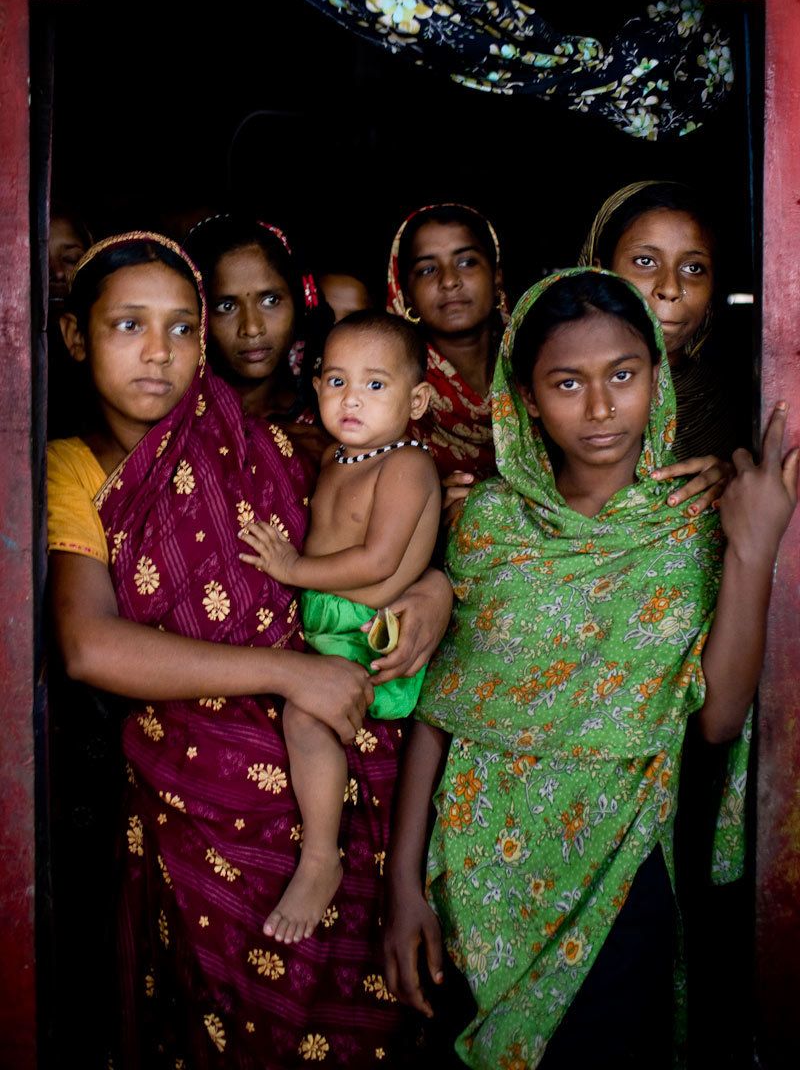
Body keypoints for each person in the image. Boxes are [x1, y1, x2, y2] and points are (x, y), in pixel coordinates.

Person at [47, 231, 453, 1068]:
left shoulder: (268, 446)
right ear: (75, 338)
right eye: (129, 326)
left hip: (348, 775)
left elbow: (366, 561)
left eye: (182, 327)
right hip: (203, 798)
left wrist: (435, 593)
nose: (160, 353)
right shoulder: (71, 470)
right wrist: (287, 670)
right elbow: (88, 646)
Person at [383, 268, 797, 1069]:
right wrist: (403, 884)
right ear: (527, 398)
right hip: (476, 875)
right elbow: (439, 715)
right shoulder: (490, 523)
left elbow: (716, 720)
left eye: (624, 376)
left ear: (656, 377)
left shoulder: (693, 528)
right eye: (568, 383)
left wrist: (751, 550)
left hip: (619, 869)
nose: (602, 409)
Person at [239, 311, 440, 944]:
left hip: (370, 637)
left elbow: (381, 568)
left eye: (376, 385)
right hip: (330, 622)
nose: (351, 398)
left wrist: (294, 569)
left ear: (418, 399)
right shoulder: (338, 453)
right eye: (336, 380)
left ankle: (322, 856)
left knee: (303, 716)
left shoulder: (406, 464)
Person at [580, 179, 743, 514]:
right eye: (645, 261)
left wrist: (737, 484)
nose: (670, 288)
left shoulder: (732, 404)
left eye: (693, 268)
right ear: (599, 271)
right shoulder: (553, 390)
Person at [387, 203, 509, 518]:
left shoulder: (538, 355)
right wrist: (425, 500)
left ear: (496, 276)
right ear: (406, 293)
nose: (449, 281)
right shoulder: (388, 381)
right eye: (428, 269)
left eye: (467, 262)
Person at [184, 213, 334, 467]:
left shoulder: (332, 408)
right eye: (226, 306)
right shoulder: (176, 420)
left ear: (299, 302)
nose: (252, 328)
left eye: (270, 301)